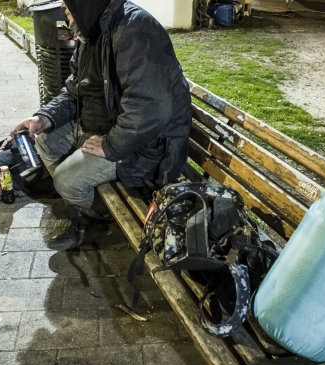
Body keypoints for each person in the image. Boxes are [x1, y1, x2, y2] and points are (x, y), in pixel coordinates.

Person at [12, 0, 192, 251]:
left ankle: (96, 218)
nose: (64, 7)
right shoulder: (92, 31)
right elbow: (75, 91)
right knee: (46, 139)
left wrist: (111, 146)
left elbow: (150, 108)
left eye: (68, 2)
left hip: (147, 145)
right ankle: (85, 205)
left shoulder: (135, 29)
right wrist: (44, 118)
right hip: (109, 125)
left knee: (65, 181)